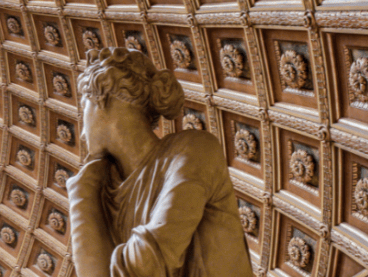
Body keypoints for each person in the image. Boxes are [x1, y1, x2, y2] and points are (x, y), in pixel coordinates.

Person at [67, 47, 253, 277]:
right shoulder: (104, 190)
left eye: (83, 109)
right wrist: (82, 192)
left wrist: (83, 195)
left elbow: (148, 265)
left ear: (100, 101)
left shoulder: (194, 150)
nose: (82, 134)